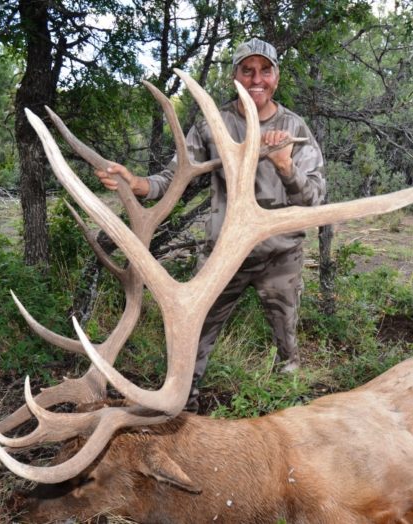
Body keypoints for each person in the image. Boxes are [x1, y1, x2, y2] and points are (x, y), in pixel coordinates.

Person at [96, 38, 326, 411]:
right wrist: (135, 183)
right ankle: (180, 410)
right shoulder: (213, 124)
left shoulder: (293, 127)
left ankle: (288, 410)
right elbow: (172, 178)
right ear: (235, 76)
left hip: (280, 257)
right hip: (224, 255)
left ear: (277, 77)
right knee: (193, 335)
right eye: (247, 71)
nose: (256, 79)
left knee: (287, 344)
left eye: (265, 71)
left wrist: (285, 165)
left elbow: (314, 200)